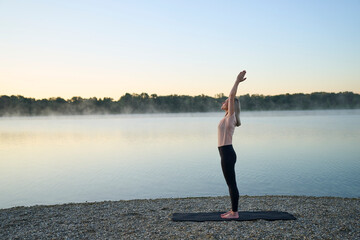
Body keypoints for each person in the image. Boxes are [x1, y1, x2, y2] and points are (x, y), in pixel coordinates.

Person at [218, 70, 247, 219]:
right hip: (225, 153)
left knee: (231, 184)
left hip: (227, 153)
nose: (223, 102)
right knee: (230, 183)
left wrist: (236, 81)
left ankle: (235, 213)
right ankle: (232, 210)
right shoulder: (226, 118)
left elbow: (231, 96)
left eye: (226, 102)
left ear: (231, 106)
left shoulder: (231, 117)